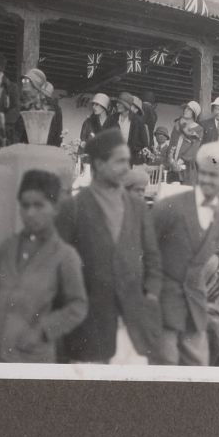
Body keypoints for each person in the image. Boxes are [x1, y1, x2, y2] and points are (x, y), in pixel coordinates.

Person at [0, 170, 87, 363]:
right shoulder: (7, 248)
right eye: (25, 206)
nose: (30, 213)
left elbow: (78, 306)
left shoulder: (64, 255)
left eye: (39, 205)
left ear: (56, 208)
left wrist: (43, 330)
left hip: (31, 356)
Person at [56, 128, 163, 364]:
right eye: (120, 161)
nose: (127, 167)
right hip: (89, 328)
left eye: (128, 161)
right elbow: (58, 270)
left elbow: (153, 259)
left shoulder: (137, 207)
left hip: (133, 326)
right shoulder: (72, 209)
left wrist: (151, 295)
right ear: (98, 164)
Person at [151, 139, 219, 365]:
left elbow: (203, 258)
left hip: (194, 307)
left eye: (214, 175)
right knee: (164, 372)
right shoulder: (170, 207)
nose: (206, 179)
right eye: (203, 173)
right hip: (162, 306)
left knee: (198, 371)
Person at [16, 68, 63, 147]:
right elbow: (17, 134)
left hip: (46, 153)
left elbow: (57, 136)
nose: (23, 83)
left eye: (27, 81)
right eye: (23, 81)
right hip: (25, 152)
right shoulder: (22, 107)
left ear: (36, 86)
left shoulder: (54, 109)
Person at [165, 102, 204, 183]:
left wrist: (179, 162)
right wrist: (171, 161)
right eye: (185, 108)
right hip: (172, 166)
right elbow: (172, 143)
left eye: (189, 109)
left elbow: (193, 150)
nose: (186, 110)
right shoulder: (177, 126)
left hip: (186, 168)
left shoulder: (198, 129)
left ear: (194, 113)